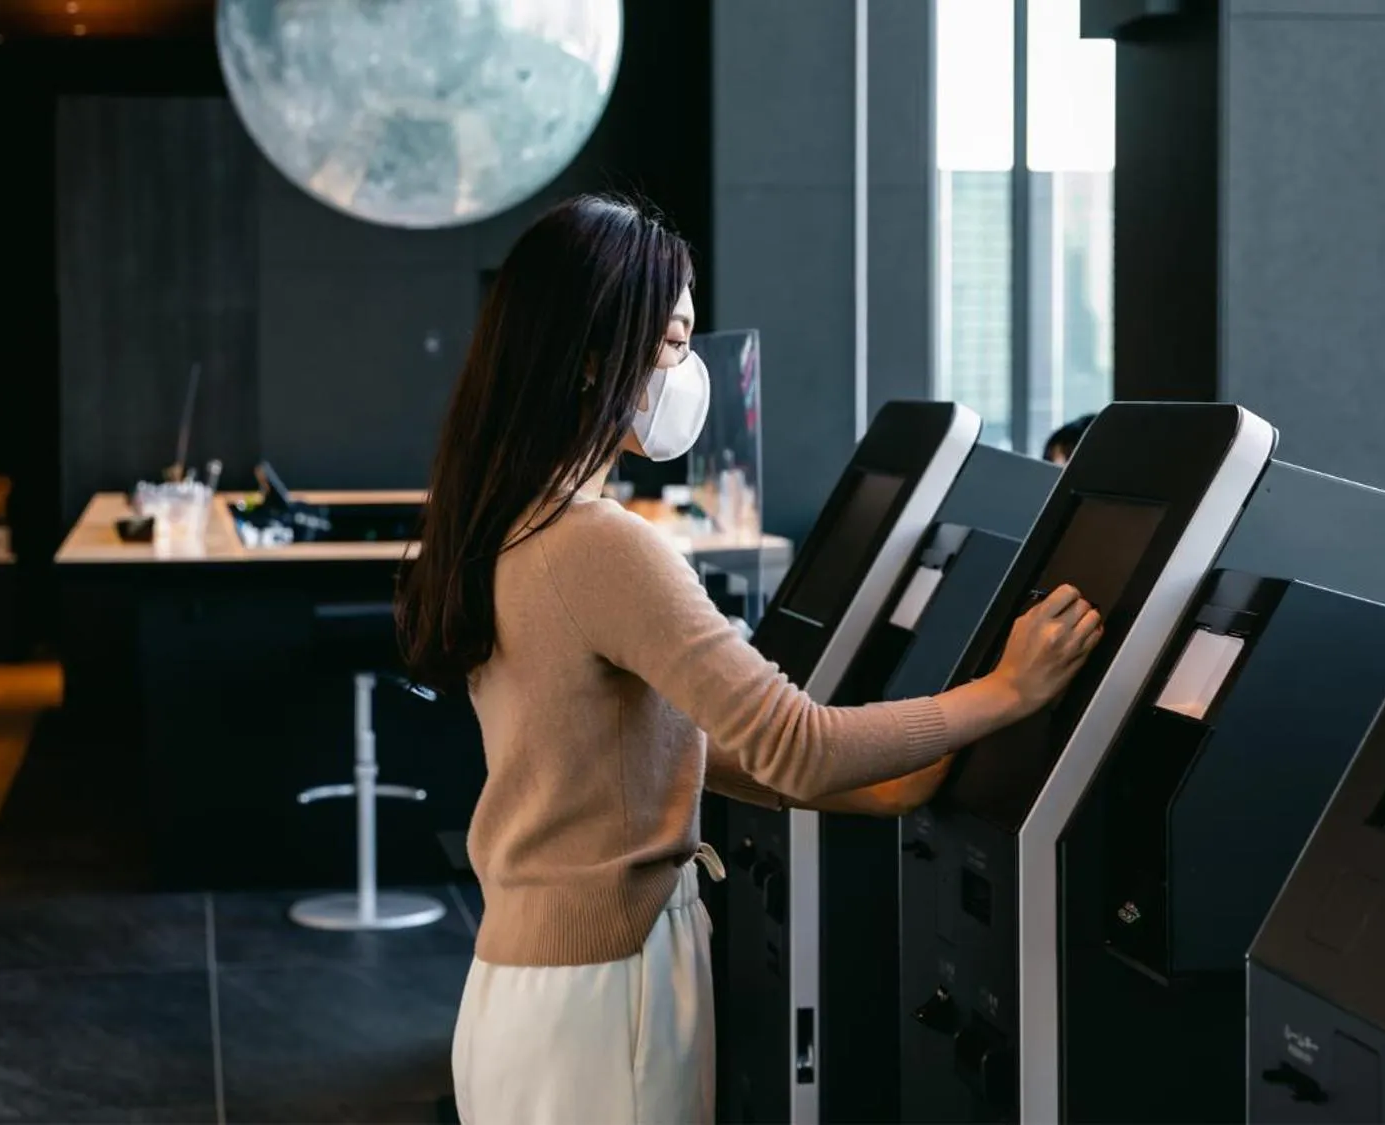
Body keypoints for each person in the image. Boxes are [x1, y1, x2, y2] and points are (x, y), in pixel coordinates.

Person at [395, 195, 1102, 1124]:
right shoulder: (602, 545)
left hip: (522, 985)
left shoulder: (504, 520)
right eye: (674, 341)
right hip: (612, 994)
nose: (687, 370)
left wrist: (881, 783)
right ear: (599, 354)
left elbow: (611, 746)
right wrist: (1004, 692)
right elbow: (795, 742)